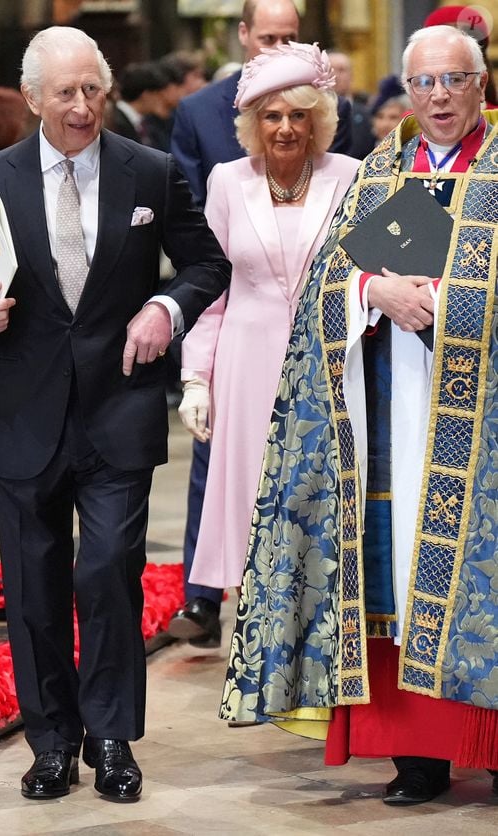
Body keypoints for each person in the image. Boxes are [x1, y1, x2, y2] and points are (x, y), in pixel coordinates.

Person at [0, 26, 230, 803]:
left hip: (118, 408)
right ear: (34, 98)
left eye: (92, 89)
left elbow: (207, 263)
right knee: (34, 588)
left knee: (108, 574)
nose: (81, 106)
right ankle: (53, 744)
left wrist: (166, 308)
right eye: (65, 92)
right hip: (23, 414)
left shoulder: (149, 170)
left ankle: (111, 738)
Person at [219, 24, 498, 805]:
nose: (438, 96)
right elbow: (327, 282)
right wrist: (375, 292)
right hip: (390, 415)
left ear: (481, 86)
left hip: (481, 425)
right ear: (407, 91)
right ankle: (419, 757)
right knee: (397, 578)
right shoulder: (381, 172)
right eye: (424, 82)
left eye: (454, 80)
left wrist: (449, 298)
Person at [178, 42, 359, 598]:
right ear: (254, 124)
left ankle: (321, 623)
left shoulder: (352, 177)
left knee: (321, 500)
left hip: (328, 366)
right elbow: (210, 288)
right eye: (272, 116)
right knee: (251, 499)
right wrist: (195, 379)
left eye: (299, 115)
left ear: (318, 120)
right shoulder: (228, 181)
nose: (285, 128)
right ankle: (254, 628)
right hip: (246, 366)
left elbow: (371, 272)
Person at [168, 0, 302, 649]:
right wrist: (197, 369)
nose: (277, 48)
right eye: (267, 36)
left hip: (307, 334)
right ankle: (204, 596)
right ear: (244, 35)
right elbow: (189, 214)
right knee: (216, 460)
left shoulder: (331, 125)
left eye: (289, 37)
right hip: (235, 312)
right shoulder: (201, 115)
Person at [327, 50, 374, 159]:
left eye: (341, 70)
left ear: (351, 75)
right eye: (329, 70)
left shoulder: (367, 115)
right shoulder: (313, 113)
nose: (335, 75)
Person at [368, 75, 410, 144]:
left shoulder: (417, 149)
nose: (385, 124)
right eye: (380, 117)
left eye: (393, 117)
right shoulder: (365, 148)